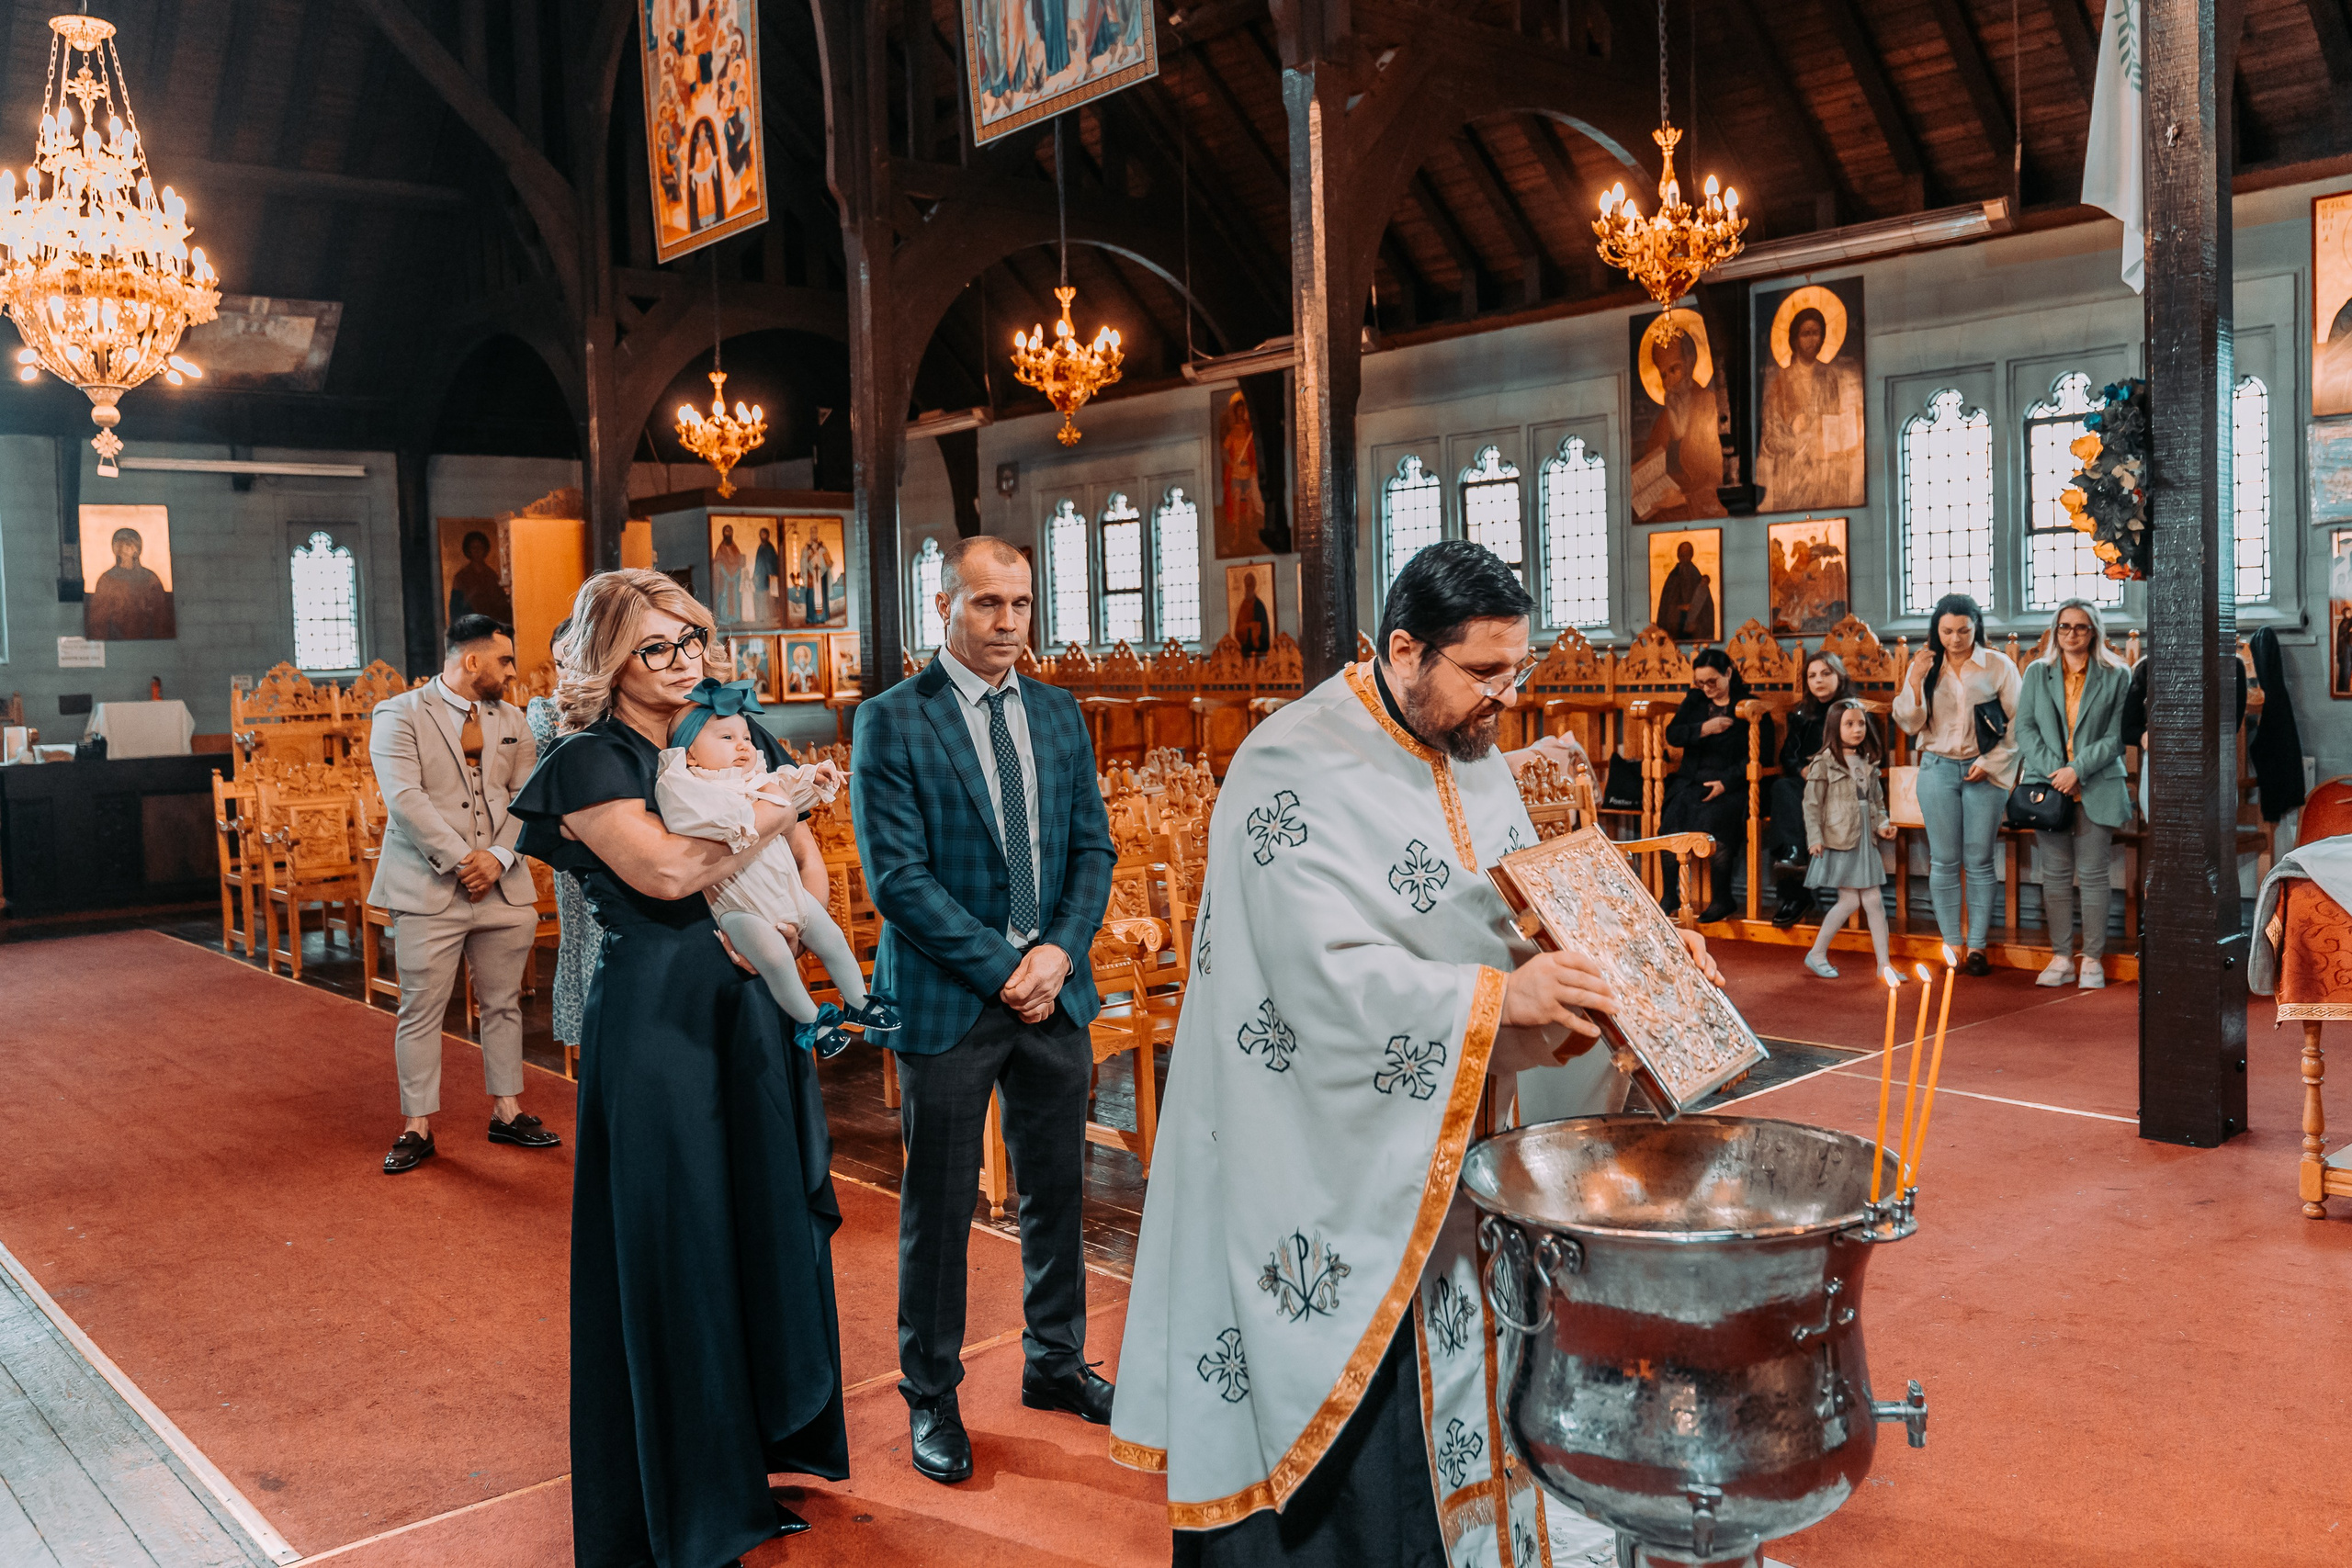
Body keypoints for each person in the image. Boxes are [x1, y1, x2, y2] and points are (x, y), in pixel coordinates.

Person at [1110, 539, 1720, 1567]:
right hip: (1317, 1163)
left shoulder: (1472, 759)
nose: (1507, 697)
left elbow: (1517, 920)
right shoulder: (1288, 767)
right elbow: (1308, 983)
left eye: (1517, 669)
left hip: (1450, 1154)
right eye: (1485, 672)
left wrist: (1644, 967)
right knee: (1356, 1456)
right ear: (1403, 649)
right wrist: (1498, 999)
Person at [511, 570, 847, 1566]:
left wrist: (785, 921)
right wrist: (770, 818)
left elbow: (815, 860)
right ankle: (687, 1510)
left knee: (759, 1230)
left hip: (752, 1013)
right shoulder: (588, 759)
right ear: (610, 658)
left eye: (690, 638)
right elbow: (661, 870)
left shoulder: (737, 730)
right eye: (655, 646)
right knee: (681, 1253)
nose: (682, 660)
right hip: (661, 1030)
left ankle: (750, 1470)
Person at [849, 535, 1117, 1486]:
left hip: (1055, 992)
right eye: (987, 603)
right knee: (940, 1204)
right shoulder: (892, 719)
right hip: (951, 996)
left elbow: (1092, 849)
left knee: (1057, 1190)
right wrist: (1007, 969)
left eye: (1021, 603)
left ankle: (1055, 1361)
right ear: (944, 606)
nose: (1008, 623)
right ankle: (931, 1392)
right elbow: (898, 880)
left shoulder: (1056, 711)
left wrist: (1058, 953)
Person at [368, 615, 556, 1174]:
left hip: (502, 887)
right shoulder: (398, 714)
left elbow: (526, 796)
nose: (513, 671)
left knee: (504, 1004)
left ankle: (507, 1110)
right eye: (504, 660)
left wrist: (497, 858)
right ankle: (417, 1126)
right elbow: (405, 799)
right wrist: (461, 861)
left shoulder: (514, 719)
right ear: (471, 661)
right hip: (427, 887)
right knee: (421, 1008)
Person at [654, 682, 897, 1054]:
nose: (742, 746)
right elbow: (698, 821)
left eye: (746, 737)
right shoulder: (686, 787)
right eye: (727, 737)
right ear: (690, 755)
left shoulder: (757, 778)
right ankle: (811, 1022)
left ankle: (858, 1000)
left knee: (832, 938)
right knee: (775, 958)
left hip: (788, 892)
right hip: (741, 906)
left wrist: (814, 777)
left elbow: (789, 789)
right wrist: (758, 811)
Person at [1893, 592, 2019, 976]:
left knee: (1979, 860)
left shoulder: (1997, 664)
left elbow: (2019, 722)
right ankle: (1952, 944)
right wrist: (1915, 679)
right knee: (1944, 860)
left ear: (1976, 626)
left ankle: (1977, 947)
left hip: (1984, 769)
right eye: (1947, 631)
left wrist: (1990, 762)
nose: (1955, 639)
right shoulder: (1925, 665)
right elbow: (1909, 723)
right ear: (1937, 629)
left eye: (1963, 630)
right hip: (1938, 767)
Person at [2014, 600, 2131, 990]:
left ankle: (2092, 959)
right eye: (2064, 626)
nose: (2071, 634)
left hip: (2097, 782)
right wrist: (2058, 773)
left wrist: (2077, 770)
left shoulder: (2117, 674)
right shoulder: (2037, 671)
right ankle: (2062, 957)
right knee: (2056, 875)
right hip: (2048, 787)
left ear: (2094, 631)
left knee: (2095, 875)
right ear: (2055, 630)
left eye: (2081, 627)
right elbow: (2025, 729)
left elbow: (2118, 736)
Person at [524, 619, 600, 1065]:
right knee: (588, 938)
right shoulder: (546, 711)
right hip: (577, 846)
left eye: (576, 663)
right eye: (559, 664)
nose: (567, 674)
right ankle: (589, 1049)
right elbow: (545, 780)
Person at [1658, 647, 1770, 925]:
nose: (1707, 688)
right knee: (1671, 824)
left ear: (1728, 673)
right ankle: (1670, 894)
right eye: (1701, 683)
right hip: (1691, 780)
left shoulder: (1749, 705)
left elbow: (1760, 756)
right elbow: (1673, 735)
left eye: (1713, 681)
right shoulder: (1694, 701)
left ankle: (1722, 898)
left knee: (1717, 825)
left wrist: (1725, 783)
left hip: (1731, 784)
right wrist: (1703, 729)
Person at [1801, 699, 1895, 979]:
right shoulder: (1824, 763)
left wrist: (1883, 825)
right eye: (1849, 724)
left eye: (1861, 723)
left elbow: (1876, 802)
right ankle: (1817, 954)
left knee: (1873, 901)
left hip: (1865, 838)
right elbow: (1812, 804)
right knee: (1850, 901)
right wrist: (1815, 837)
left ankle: (1884, 965)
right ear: (1835, 727)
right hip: (1841, 837)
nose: (1857, 730)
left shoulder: (1867, 763)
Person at [1768, 651, 1854, 927]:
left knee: (1805, 802)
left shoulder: (1853, 710)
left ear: (1840, 676)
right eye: (1812, 676)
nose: (1819, 680)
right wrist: (1802, 769)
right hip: (1808, 786)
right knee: (1783, 787)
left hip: (1842, 787)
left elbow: (1867, 754)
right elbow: (1789, 756)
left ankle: (1797, 890)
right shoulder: (1802, 714)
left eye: (1826, 674)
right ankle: (1793, 865)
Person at [1757, 305, 1864, 510]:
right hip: (1792, 472)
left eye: (1816, 333)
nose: (1812, 340)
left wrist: (1823, 435)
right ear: (1795, 339)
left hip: (1825, 471)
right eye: (1806, 334)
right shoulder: (1782, 381)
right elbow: (1769, 436)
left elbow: (1837, 424)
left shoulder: (1830, 377)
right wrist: (1796, 442)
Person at [1635, 326, 1728, 522]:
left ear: (1690, 363)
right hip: (1663, 517)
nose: (1669, 382)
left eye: (1674, 369)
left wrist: (1683, 499)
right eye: (1663, 375)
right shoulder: (1663, 421)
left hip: (1700, 515)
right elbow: (1648, 474)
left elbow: (1723, 479)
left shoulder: (1711, 408)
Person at [85, 526, 175, 640]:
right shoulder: (106, 580)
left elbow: (161, 619)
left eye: (128, 544)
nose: (123, 548)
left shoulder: (151, 579)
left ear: (137, 548)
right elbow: (98, 623)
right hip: (116, 642)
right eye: (118, 544)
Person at [447, 530, 513, 626]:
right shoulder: (461, 576)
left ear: (485, 550)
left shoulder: (491, 575)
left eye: (480, 547)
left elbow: (500, 603)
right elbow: (455, 607)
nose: (477, 551)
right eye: (474, 548)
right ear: (468, 550)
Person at [1655, 539, 1715, 642]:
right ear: (1678, 556)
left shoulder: (1697, 577)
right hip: (1676, 628)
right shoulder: (1673, 577)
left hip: (1694, 630)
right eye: (1682, 555)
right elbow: (1665, 607)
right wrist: (1680, 607)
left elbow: (1707, 609)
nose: (1685, 558)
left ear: (1692, 555)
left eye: (1687, 554)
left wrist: (1696, 622)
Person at [711, 524, 747, 627]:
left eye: (730, 531)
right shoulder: (721, 548)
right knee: (725, 597)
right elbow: (718, 562)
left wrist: (736, 572)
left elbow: (739, 562)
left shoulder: (735, 548)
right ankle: (725, 618)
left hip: (735, 578)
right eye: (726, 531)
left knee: (735, 597)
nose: (728, 533)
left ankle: (735, 618)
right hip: (725, 578)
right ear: (723, 533)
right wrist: (726, 573)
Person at [1232, 569, 1272, 656]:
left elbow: (1264, 628)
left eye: (1250, 585)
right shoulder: (1243, 605)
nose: (1248, 588)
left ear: (1254, 585)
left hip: (1259, 649)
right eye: (1247, 585)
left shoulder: (1259, 605)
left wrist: (1254, 628)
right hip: (1245, 648)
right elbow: (1238, 629)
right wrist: (1247, 626)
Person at [752, 526, 779, 626]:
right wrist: (755, 574)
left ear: (767, 535)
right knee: (761, 596)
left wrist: (771, 573)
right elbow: (757, 562)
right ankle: (762, 616)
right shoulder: (760, 547)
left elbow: (774, 561)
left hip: (769, 575)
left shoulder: (770, 547)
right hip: (761, 575)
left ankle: (772, 616)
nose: (763, 536)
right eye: (761, 534)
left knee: (770, 597)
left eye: (764, 534)